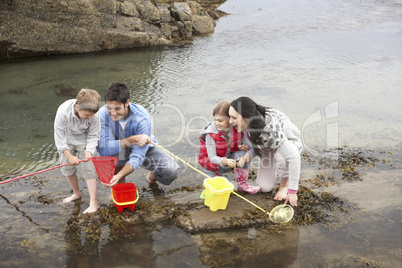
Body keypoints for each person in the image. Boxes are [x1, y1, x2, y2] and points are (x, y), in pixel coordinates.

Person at [97, 82, 179, 187]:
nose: (113, 113)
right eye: (109, 108)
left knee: (171, 171)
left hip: (143, 147)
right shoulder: (102, 115)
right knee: (114, 153)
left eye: (117, 109)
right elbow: (104, 150)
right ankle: (119, 187)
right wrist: (132, 139)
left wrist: (119, 174)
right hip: (118, 148)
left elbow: (138, 156)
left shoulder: (143, 118)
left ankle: (151, 177)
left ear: (127, 103)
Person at [229, 97, 302, 206]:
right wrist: (246, 157)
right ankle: (276, 167)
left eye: (233, 118)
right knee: (264, 187)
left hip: (290, 143)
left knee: (281, 158)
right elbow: (257, 145)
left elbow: (294, 157)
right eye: (230, 117)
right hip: (269, 145)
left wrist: (292, 192)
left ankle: (284, 185)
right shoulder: (248, 124)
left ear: (246, 118)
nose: (230, 121)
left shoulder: (269, 132)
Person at [54, 88, 101, 214]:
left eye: (91, 116)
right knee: (68, 169)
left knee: (89, 170)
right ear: (77, 106)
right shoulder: (63, 111)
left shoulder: (94, 115)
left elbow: (93, 135)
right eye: (86, 115)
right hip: (67, 141)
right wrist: (69, 156)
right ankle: (76, 193)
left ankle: (93, 202)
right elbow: (59, 138)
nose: (88, 118)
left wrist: (89, 151)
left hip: (84, 139)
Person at [198, 101, 261, 194]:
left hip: (228, 162)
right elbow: (212, 158)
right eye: (215, 119)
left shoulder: (237, 128)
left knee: (242, 154)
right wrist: (225, 161)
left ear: (230, 119)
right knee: (214, 192)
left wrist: (241, 149)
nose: (216, 123)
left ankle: (242, 185)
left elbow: (253, 147)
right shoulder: (211, 133)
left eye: (220, 120)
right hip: (211, 166)